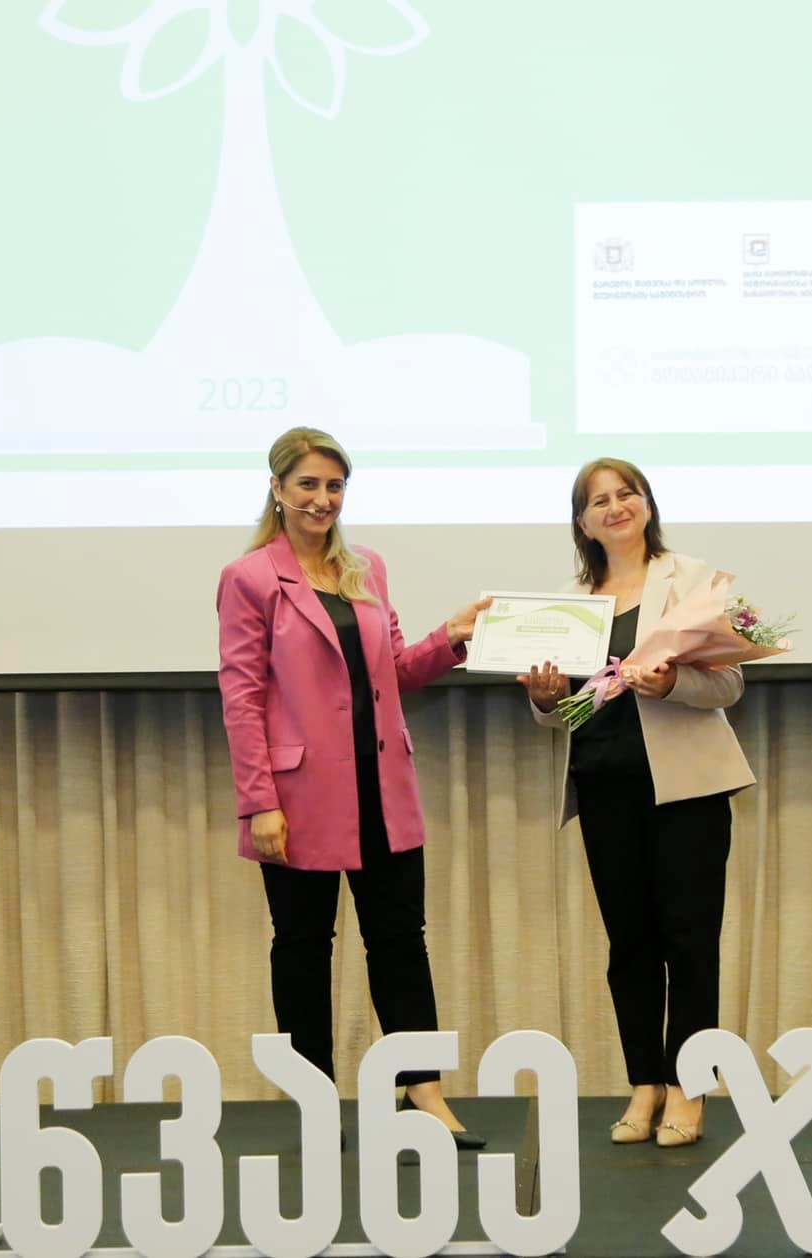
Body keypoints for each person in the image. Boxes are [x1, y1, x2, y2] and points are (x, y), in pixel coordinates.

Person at [217, 426, 491, 1147]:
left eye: (334, 486)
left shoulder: (366, 567)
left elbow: (393, 673)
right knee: (302, 946)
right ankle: (314, 1101)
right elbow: (241, 697)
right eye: (307, 484)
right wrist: (260, 802)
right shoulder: (249, 578)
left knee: (401, 942)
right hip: (296, 797)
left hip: (383, 789)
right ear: (277, 489)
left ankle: (423, 1093)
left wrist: (451, 637)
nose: (322, 499)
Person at [518, 458, 755, 1148]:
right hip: (604, 785)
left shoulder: (692, 580)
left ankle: (689, 1087)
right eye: (599, 501)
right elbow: (562, 712)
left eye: (627, 494)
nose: (615, 507)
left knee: (690, 941)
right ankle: (645, 1082)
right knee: (629, 945)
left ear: (648, 504)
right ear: (582, 522)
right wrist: (544, 700)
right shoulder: (567, 601)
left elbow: (730, 684)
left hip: (686, 790)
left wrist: (672, 683)